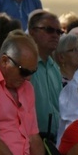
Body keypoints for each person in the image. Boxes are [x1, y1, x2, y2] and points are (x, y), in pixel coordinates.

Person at [28, 11, 64, 139]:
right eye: (49, 30)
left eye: (59, 32)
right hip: (31, 139)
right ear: (32, 32)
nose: (55, 35)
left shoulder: (54, 67)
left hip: (53, 140)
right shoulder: (25, 65)